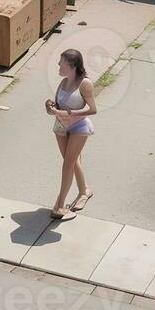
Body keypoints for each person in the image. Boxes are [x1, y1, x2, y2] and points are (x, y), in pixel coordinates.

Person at [45, 48, 96, 218]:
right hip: (61, 127)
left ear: (72, 65)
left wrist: (70, 114)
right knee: (72, 162)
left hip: (78, 127)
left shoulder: (85, 84)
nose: (58, 65)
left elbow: (92, 109)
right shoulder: (63, 82)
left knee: (68, 163)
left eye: (62, 63)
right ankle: (84, 191)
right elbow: (58, 107)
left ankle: (59, 206)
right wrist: (50, 107)